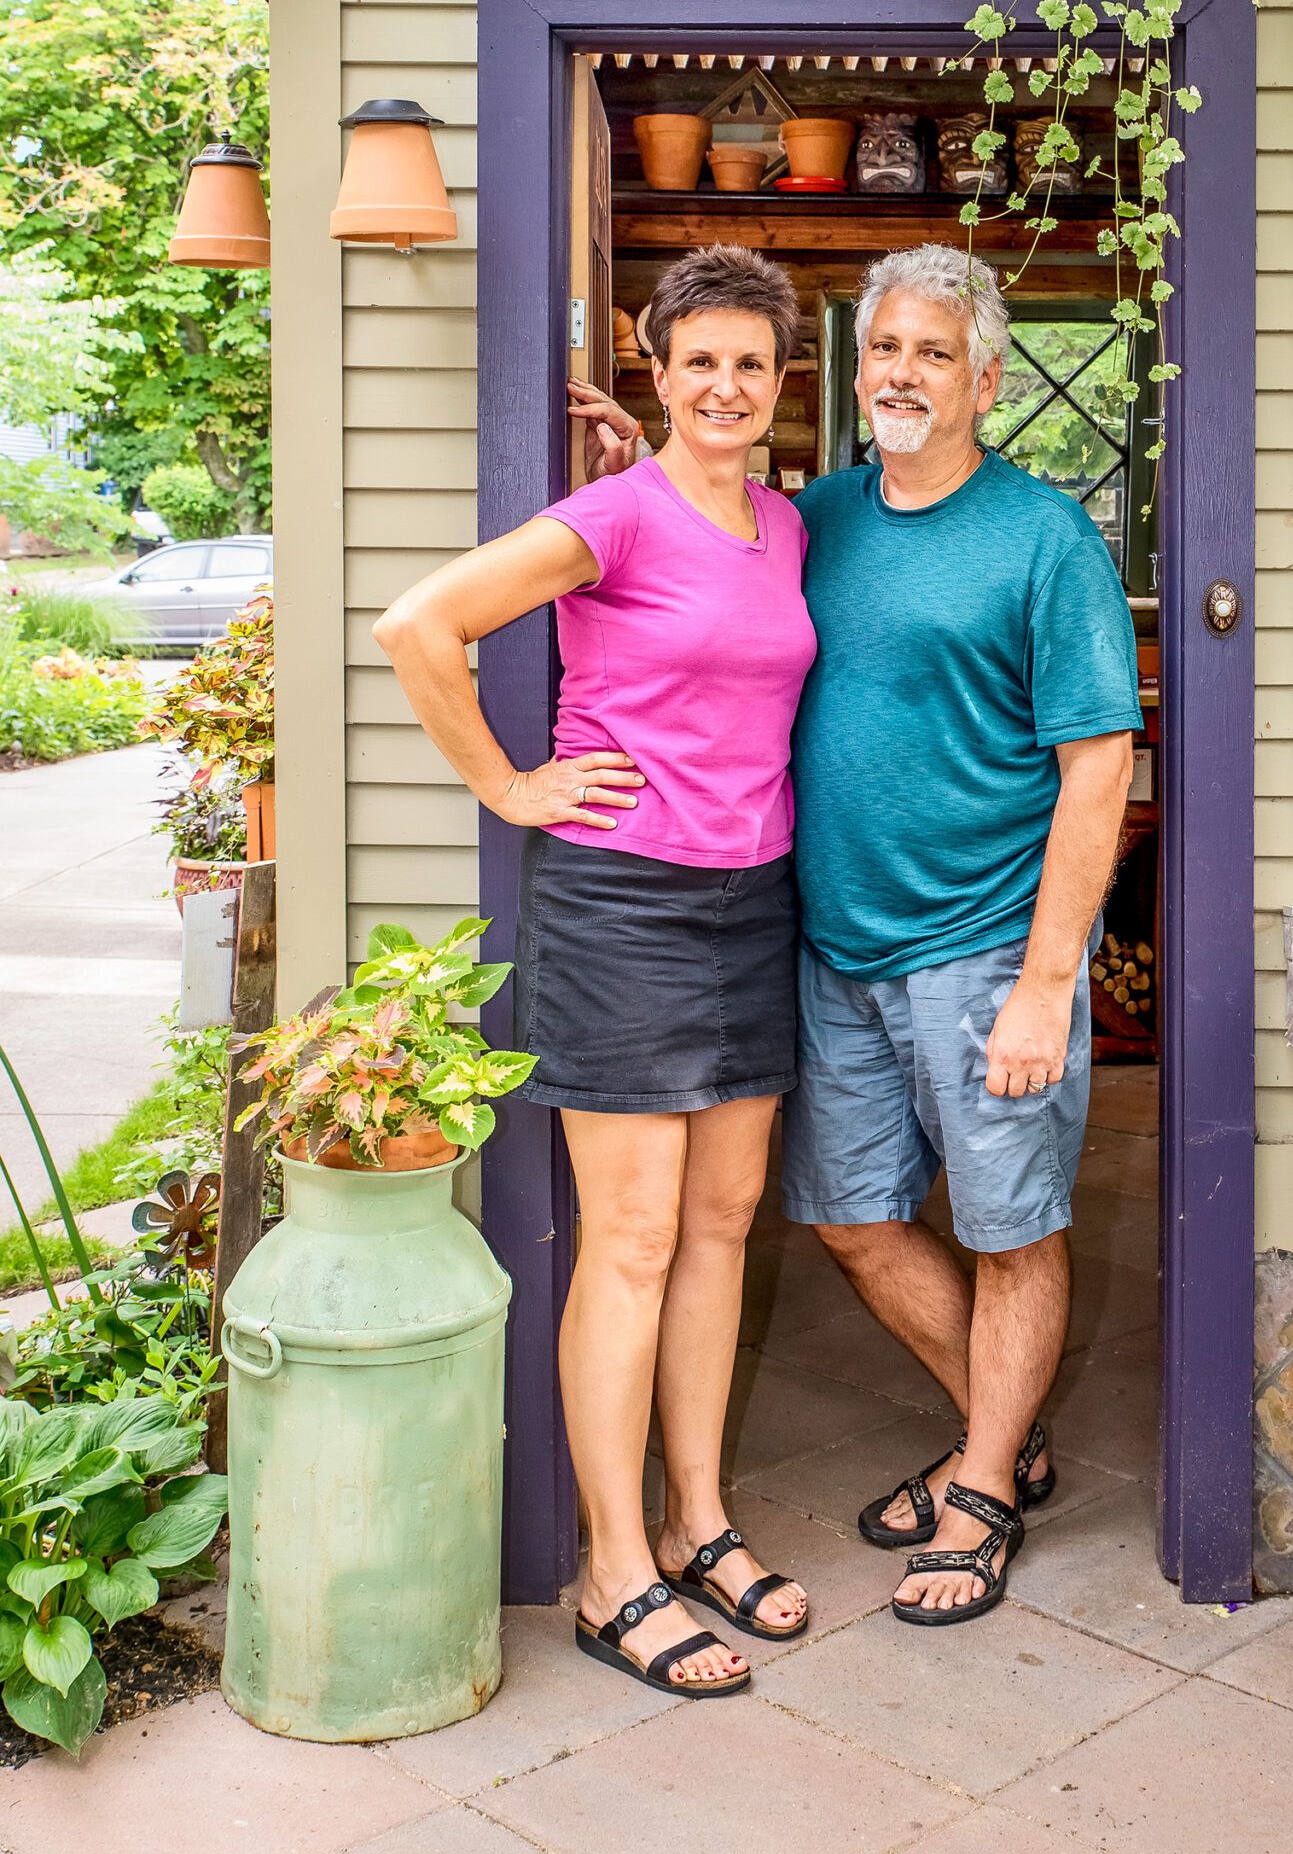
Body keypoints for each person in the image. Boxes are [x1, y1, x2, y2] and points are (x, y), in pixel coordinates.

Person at [581, 243, 1140, 1628]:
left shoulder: (1043, 539)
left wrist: (1044, 983)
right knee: (844, 1218)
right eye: (883, 347)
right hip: (831, 946)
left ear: (986, 379)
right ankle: (997, 1435)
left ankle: (985, 1486)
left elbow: (1099, 765)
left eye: (933, 352)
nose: (901, 371)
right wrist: (635, 463)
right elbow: (702, 541)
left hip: (985, 946)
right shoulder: (811, 516)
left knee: (1011, 1229)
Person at [373, 246, 816, 1701]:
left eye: (750, 362)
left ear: (778, 377)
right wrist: (507, 786)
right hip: (623, 907)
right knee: (628, 1241)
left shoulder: (785, 526)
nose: (726, 385)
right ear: (656, 365)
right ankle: (610, 1568)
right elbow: (417, 626)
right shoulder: (605, 515)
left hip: (753, 901)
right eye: (700, 360)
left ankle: (698, 1523)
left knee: (722, 1223)